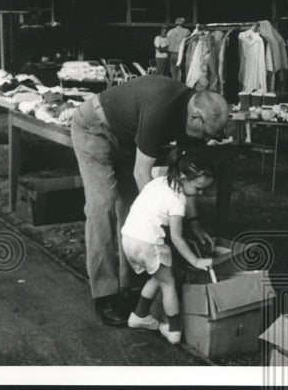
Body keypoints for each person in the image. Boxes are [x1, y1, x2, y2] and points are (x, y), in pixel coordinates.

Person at [70, 75, 229, 326]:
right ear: (196, 117)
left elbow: (184, 179)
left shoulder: (190, 117)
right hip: (94, 127)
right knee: (103, 206)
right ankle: (105, 295)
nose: (207, 140)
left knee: (130, 207)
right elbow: (142, 174)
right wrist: (165, 223)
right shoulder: (162, 109)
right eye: (208, 134)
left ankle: (129, 286)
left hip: (126, 136)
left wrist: (194, 221)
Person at [122, 146, 216, 345]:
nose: (199, 193)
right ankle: (173, 330)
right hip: (148, 242)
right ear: (183, 177)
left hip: (129, 238)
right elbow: (177, 237)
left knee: (159, 275)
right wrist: (195, 260)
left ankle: (139, 316)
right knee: (168, 282)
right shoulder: (178, 200)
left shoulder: (158, 182)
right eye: (198, 188)